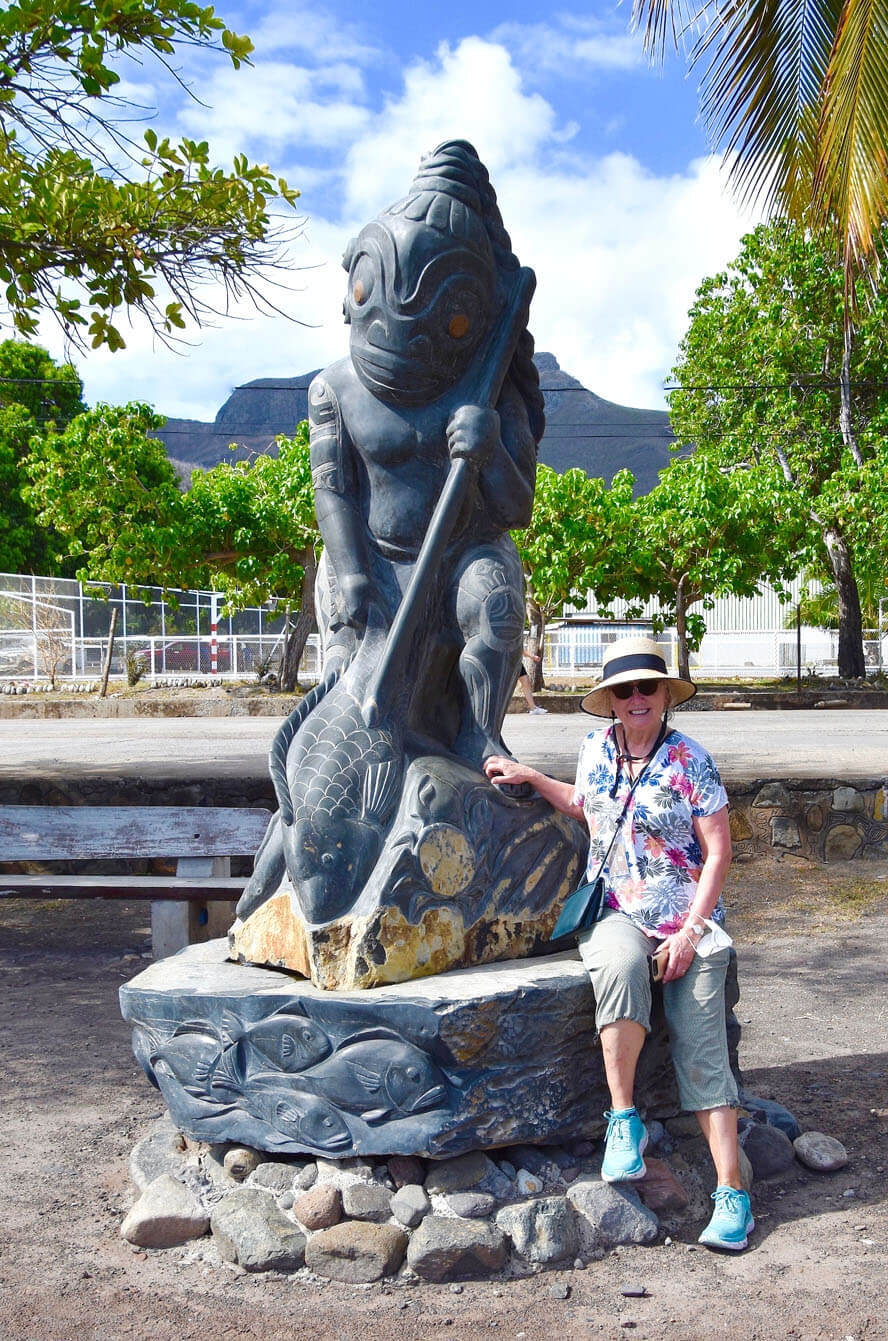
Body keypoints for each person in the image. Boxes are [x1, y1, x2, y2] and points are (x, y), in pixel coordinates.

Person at [483, 635, 753, 1252]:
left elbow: (718, 852)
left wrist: (690, 932)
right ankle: (623, 1121)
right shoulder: (595, 749)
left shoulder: (690, 760)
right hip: (616, 909)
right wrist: (532, 777)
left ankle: (731, 1193)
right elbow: (587, 806)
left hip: (685, 916)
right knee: (622, 967)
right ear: (609, 700)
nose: (636, 698)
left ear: (664, 695)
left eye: (646, 687)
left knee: (702, 1040)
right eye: (624, 690)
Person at [517, 649, 547, 714]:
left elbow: (520, 649)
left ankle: (533, 708)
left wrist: (532, 657)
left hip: (516, 662)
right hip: (506, 662)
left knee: (526, 682)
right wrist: (532, 657)